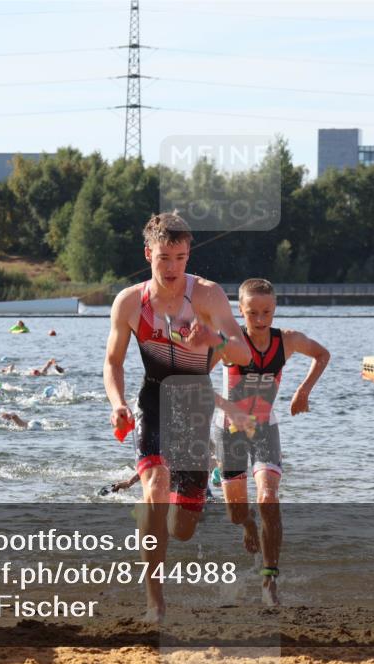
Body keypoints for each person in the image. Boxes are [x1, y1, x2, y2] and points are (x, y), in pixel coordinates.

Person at [103, 211, 251, 622]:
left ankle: (177, 506)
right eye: (164, 258)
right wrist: (116, 402)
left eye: (180, 258)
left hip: (194, 403)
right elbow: (113, 362)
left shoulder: (206, 295)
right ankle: (156, 604)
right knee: (154, 484)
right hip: (152, 399)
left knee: (182, 527)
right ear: (147, 253)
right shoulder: (130, 302)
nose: (172, 268)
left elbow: (243, 353)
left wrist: (213, 340)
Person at [214, 278, 330, 606]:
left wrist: (303, 391)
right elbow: (194, 379)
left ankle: (269, 581)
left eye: (267, 312)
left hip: (265, 428)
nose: (261, 319)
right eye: (253, 313)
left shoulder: (288, 341)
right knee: (237, 513)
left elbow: (322, 355)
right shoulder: (229, 342)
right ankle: (247, 524)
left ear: (275, 309)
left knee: (269, 498)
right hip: (229, 431)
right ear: (241, 311)